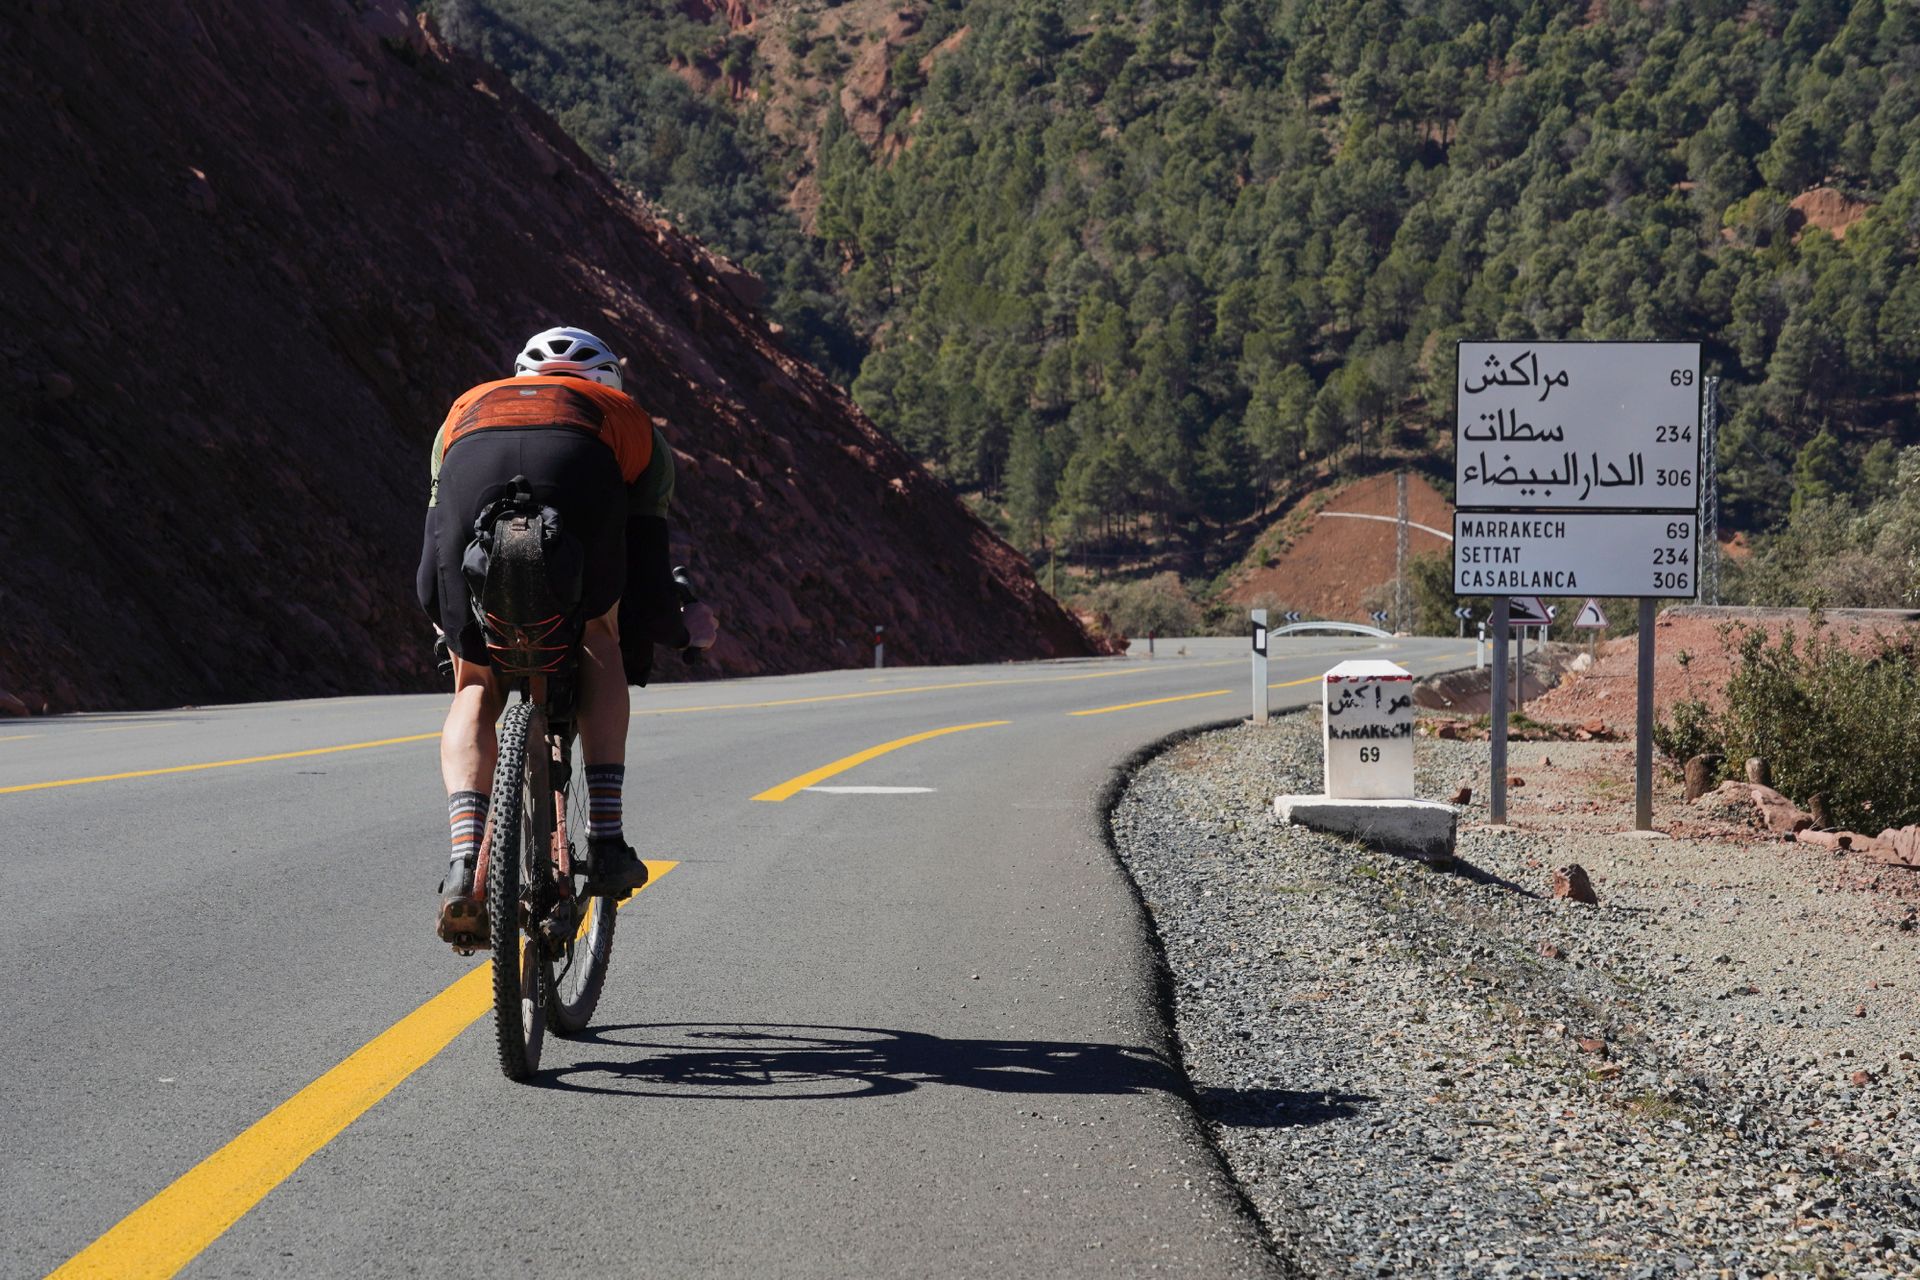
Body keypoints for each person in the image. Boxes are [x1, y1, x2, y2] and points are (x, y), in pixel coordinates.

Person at [416, 326, 717, 946]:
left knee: (474, 683)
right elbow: (649, 569)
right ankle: (606, 841)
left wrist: (454, 630)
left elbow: (431, 558)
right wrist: (684, 631)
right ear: (607, 382)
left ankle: (463, 858)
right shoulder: (628, 419)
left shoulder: (464, 408)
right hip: (580, 475)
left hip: (471, 467)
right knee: (601, 640)